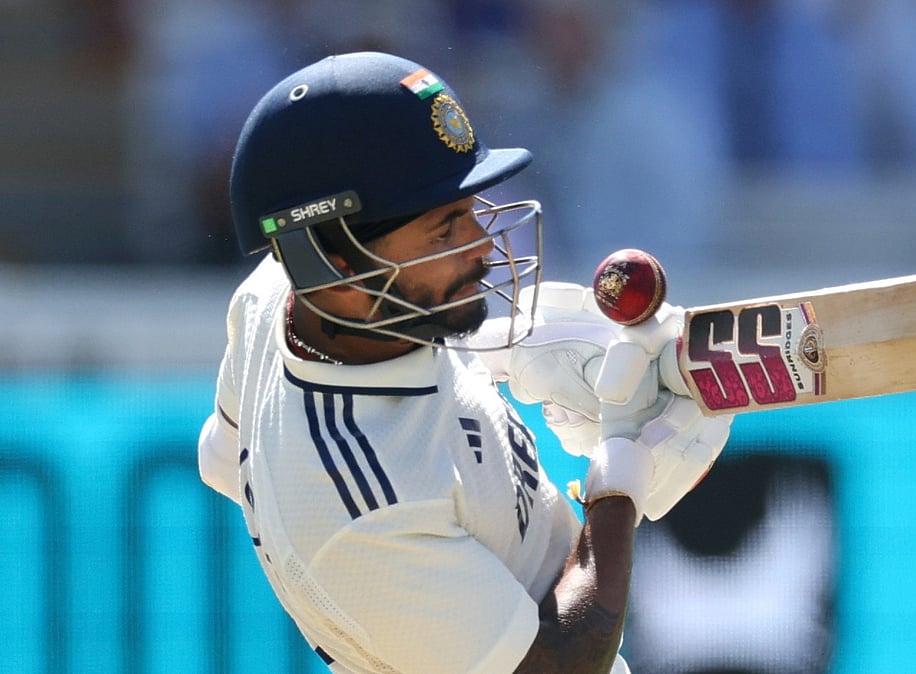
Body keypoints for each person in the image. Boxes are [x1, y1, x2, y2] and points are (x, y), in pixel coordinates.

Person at [196, 51, 733, 673]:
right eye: (445, 230)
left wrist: (487, 355)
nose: (481, 244)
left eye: (471, 210)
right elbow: (565, 663)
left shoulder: (275, 296)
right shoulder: (366, 512)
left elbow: (222, 458)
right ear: (337, 265)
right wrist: (618, 480)